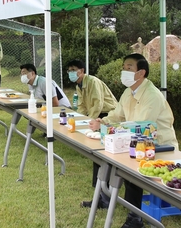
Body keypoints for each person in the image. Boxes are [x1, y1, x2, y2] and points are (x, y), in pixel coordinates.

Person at [87, 53, 179, 228]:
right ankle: (103, 198)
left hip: (160, 145)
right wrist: (103, 121)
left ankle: (135, 218)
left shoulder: (151, 94)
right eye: (124, 67)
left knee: (130, 168)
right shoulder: (129, 92)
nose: (124, 71)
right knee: (101, 156)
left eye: (129, 68)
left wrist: (113, 129)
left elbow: (142, 127)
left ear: (141, 73)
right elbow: (117, 114)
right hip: (137, 140)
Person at [67, 59, 118, 210]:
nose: (70, 72)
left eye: (73, 69)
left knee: (104, 154)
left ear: (81, 71)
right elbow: (82, 106)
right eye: (69, 70)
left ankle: (105, 196)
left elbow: (98, 104)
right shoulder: (79, 85)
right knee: (98, 155)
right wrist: (77, 118)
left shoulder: (93, 81)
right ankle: (101, 193)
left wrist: (93, 123)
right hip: (97, 118)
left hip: (107, 116)